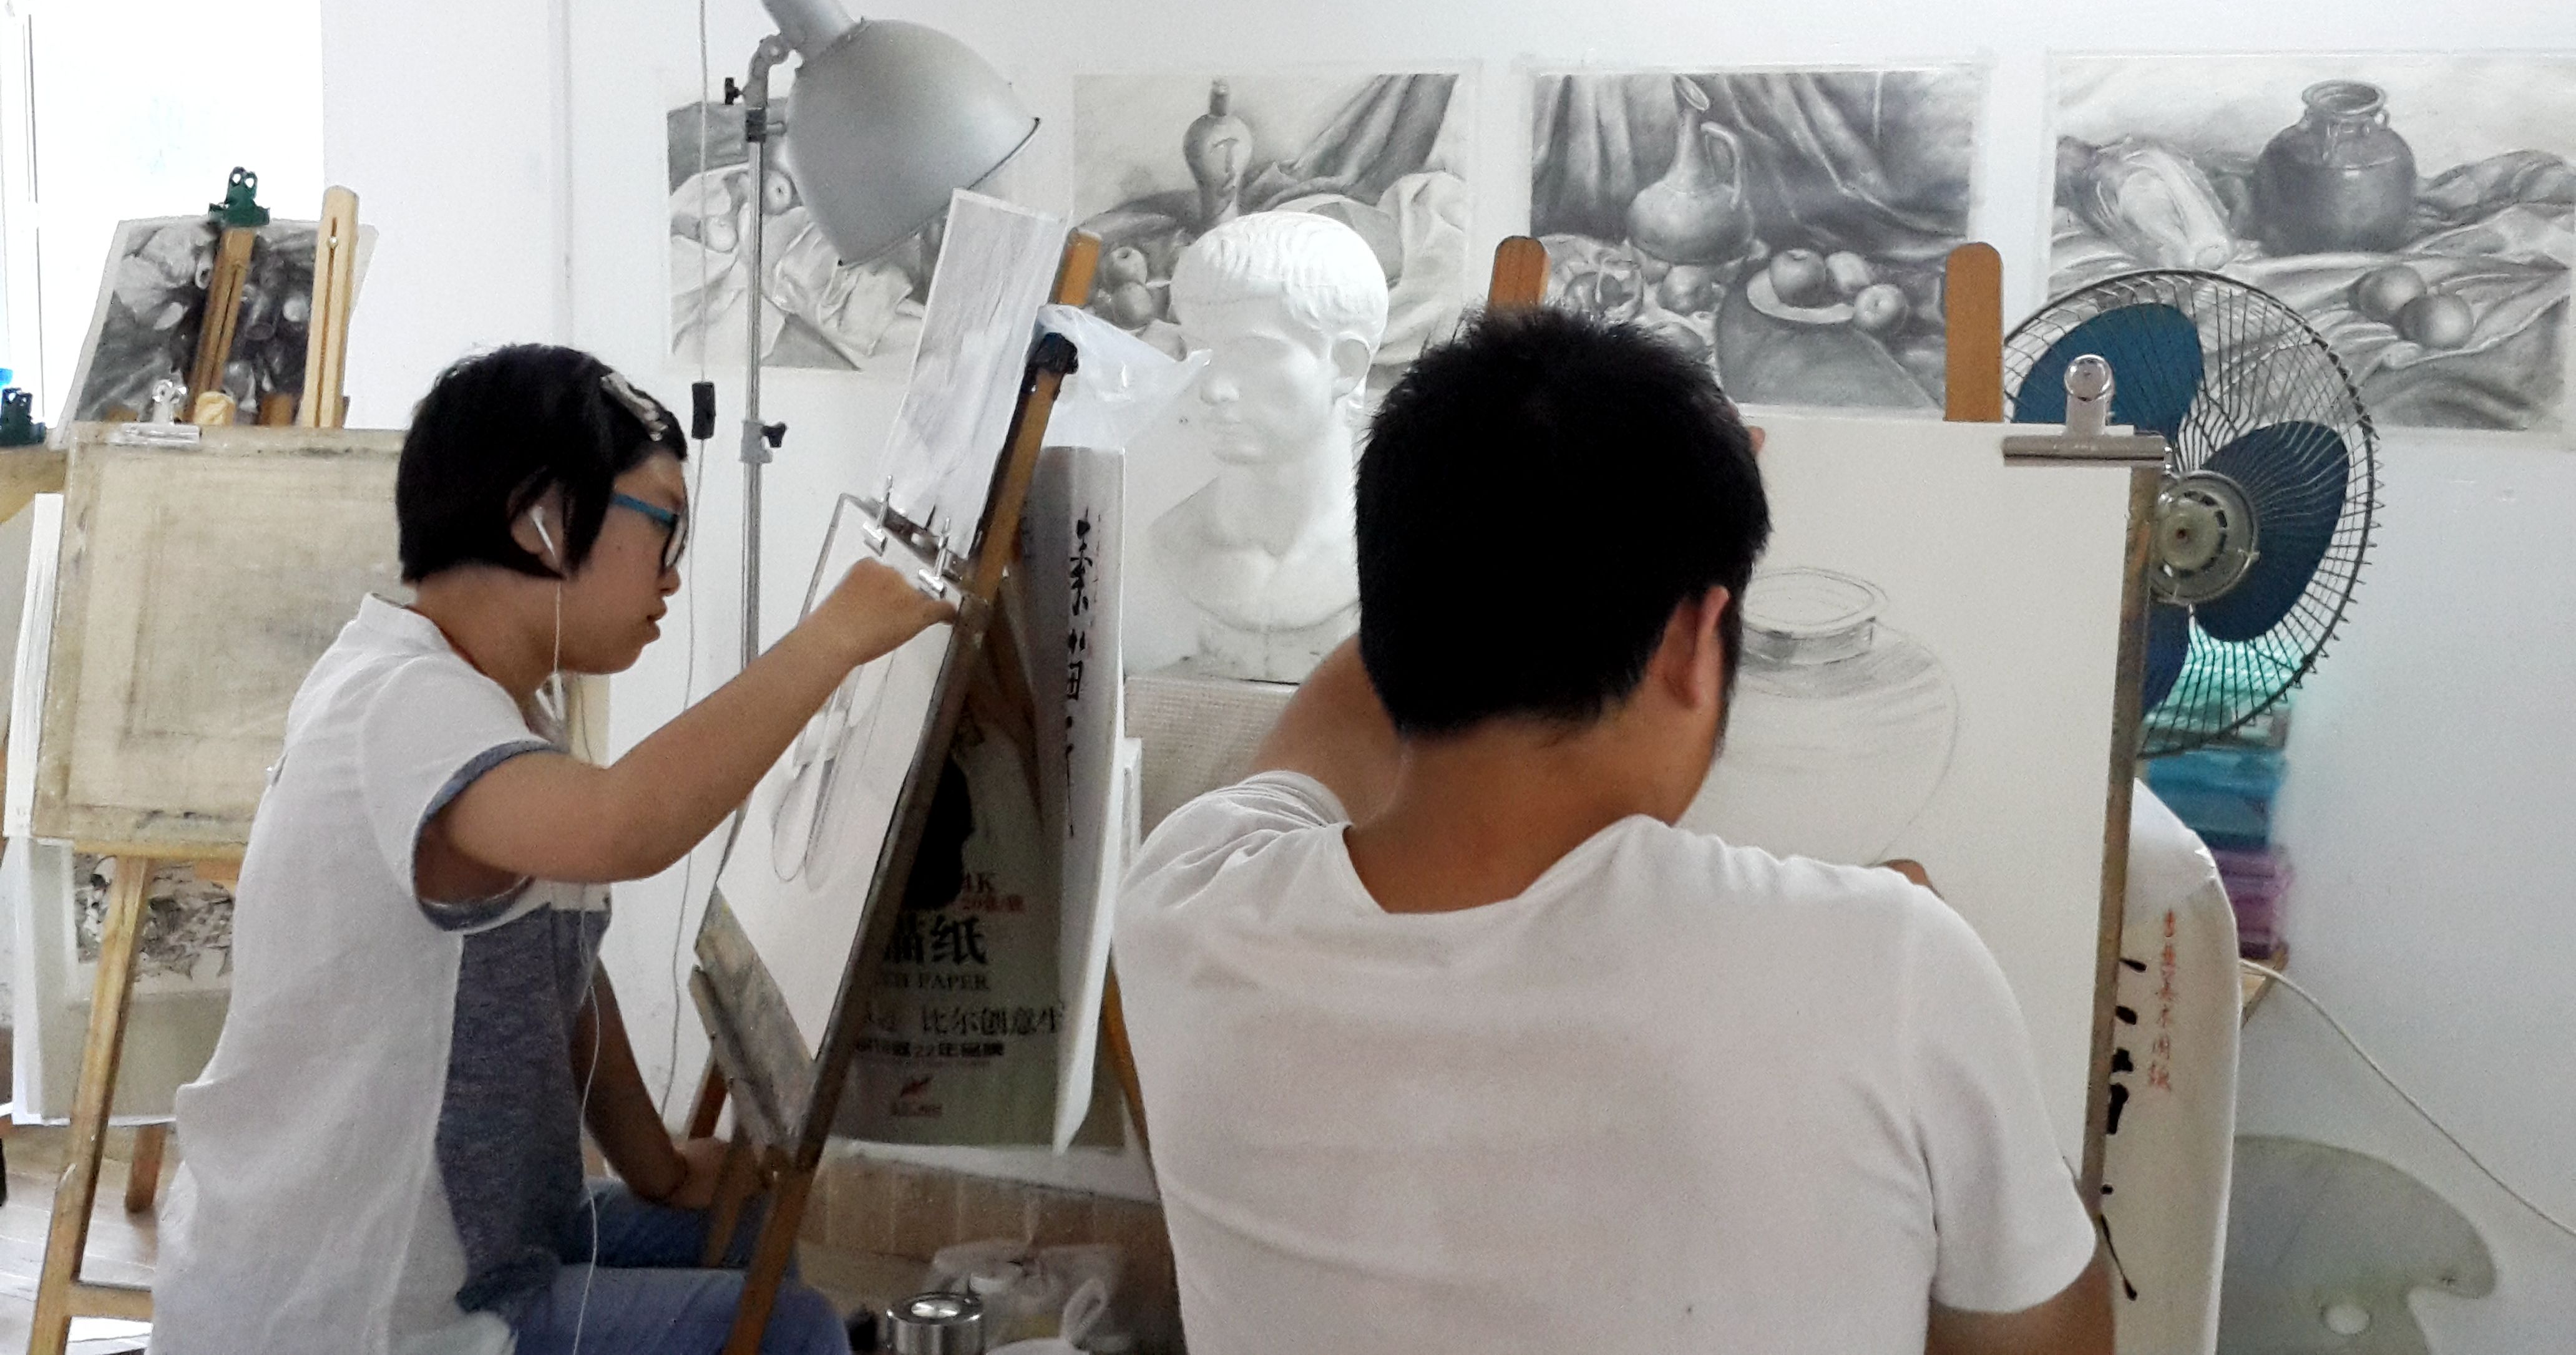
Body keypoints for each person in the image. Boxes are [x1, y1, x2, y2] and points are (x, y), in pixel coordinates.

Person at [1113, 308, 2113, 1354]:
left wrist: (1531, 529)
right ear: (1693, 640)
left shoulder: (1186, 905)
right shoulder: (1888, 966)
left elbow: (1334, 722)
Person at [151, 345, 952, 1355]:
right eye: (663, 525)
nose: (672, 573)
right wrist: (828, 639)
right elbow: (622, 827)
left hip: (468, 1247)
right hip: (351, 1310)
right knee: (789, 1332)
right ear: (540, 516)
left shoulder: (490, 702)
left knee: (744, 1235)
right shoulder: (402, 702)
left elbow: (560, 972)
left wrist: (658, 1167)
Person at [1148, 211, 1387, 682]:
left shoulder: (1402, 558)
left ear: (1346, 365)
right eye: (1196, 351)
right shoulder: (1168, 544)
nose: (1213, 389)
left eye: (1253, 352)